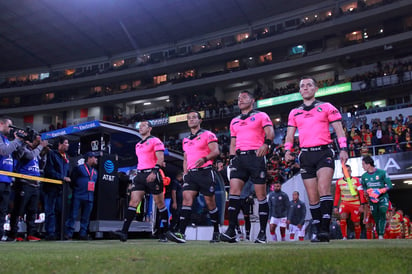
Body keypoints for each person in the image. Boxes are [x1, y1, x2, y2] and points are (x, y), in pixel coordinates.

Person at [285, 76, 348, 242]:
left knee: (323, 189)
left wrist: (343, 148)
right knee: (312, 196)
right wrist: (287, 150)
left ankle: (324, 230)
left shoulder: (326, 107)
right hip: (306, 155)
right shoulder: (294, 112)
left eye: (309, 85)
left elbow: (339, 130)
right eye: (302, 86)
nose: (305, 88)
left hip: (324, 153)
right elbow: (290, 135)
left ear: (315, 89)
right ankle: (317, 228)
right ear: (299, 91)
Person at [221, 90, 275, 244]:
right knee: (234, 193)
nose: (240, 100)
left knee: (260, 196)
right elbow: (233, 141)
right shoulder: (234, 121)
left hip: (256, 157)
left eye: (244, 97)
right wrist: (232, 159)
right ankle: (231, 230)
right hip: (239, 158)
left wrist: (267, 144)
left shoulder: (261, 115)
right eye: (238, 98)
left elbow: (270, 131)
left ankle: (263, 234)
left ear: (252, 100)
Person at [167, 111, 220, 243]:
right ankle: (181, 233)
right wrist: (185, 173)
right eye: (189, 118)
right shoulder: (186, 139)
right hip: (191, 174)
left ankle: (217, 232)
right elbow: (185, 158)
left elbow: (216, 151)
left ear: (200, 120)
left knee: (210, 203)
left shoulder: (208, 134)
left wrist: (204, 158)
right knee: (186, 201)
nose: (191, 120)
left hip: (206, 172)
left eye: (194, 117)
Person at [114, 120, 170, 242]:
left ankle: (165, 232)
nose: (140, 128)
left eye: (143, 125)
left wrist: (154, 172)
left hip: (152, 173)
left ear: (150, 128)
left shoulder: (155, 141)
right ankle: (124, 232)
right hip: (140, 175)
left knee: (160, 203)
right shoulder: (138, 144)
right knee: (133, 202)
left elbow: (160, 159)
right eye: (140, 126)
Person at [6, 134, 46, 242]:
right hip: (24, 183)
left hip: (35, 184)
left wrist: (44, 154)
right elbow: (29, 156)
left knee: (32, 211)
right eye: (36, 141)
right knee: (19, 210)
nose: (37, 144)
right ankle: (14, 234)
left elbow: (41, 165)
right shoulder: (22, 148)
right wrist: (40, 147)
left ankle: (31, 233)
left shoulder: (36, 152)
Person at [64, 151, 98, 240]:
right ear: (89, 158)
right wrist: (77, 189)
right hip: (78, 195)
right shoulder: (79, 168)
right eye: (94, 157)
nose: (96, 159)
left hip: (89, 197)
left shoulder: (95, 172)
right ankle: (69, 233)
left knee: (86, 217)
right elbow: (73, 180)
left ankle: (83, 233)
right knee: (73, 215)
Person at [0, 116, 24, 241]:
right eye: (9, 126)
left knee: (3, 210)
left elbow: (18, 156)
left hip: (7, 180)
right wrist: (16, 140)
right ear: (1, 124)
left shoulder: (7, 140)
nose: (11, 129)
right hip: (0, 179)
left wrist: (22, 142)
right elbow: (3, 151)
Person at [43, 136, 71, 240]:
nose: (67, 145)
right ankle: (50, 233)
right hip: (51, 188)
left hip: (62, 189)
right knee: (50, 211)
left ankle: (60, 232)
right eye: (66, 143)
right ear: (59, 144)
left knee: (60, 211)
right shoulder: (52, 154)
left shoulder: (66, 157)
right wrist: (62, 177)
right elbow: (49, 170)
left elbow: (67, 172)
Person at [360, 155, 393, 240]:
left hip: (382, 197)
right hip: (372, 200)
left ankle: (381, 234)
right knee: (376, 217)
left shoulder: (382, 172)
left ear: (368, 164)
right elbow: (364, 188)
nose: (362, 166)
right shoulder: (364, 177)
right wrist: (367, 193)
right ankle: (379, 235)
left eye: (363, 164)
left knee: (382, 212)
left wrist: (380, 191)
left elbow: (389, 186)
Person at [333, 164, 367, 240]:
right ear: (342, 172)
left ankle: (357, 238)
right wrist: (335, 206)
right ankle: (344, 236)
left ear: (351, 171)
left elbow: (361, 193)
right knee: (342, 218)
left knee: (356, 223)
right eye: (345, 171)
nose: (347, 172)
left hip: (355, 203)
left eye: (348, 171)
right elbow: (337, 194)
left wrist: (362, 204)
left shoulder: (357, 180)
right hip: (344, 203)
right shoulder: (339, 182)